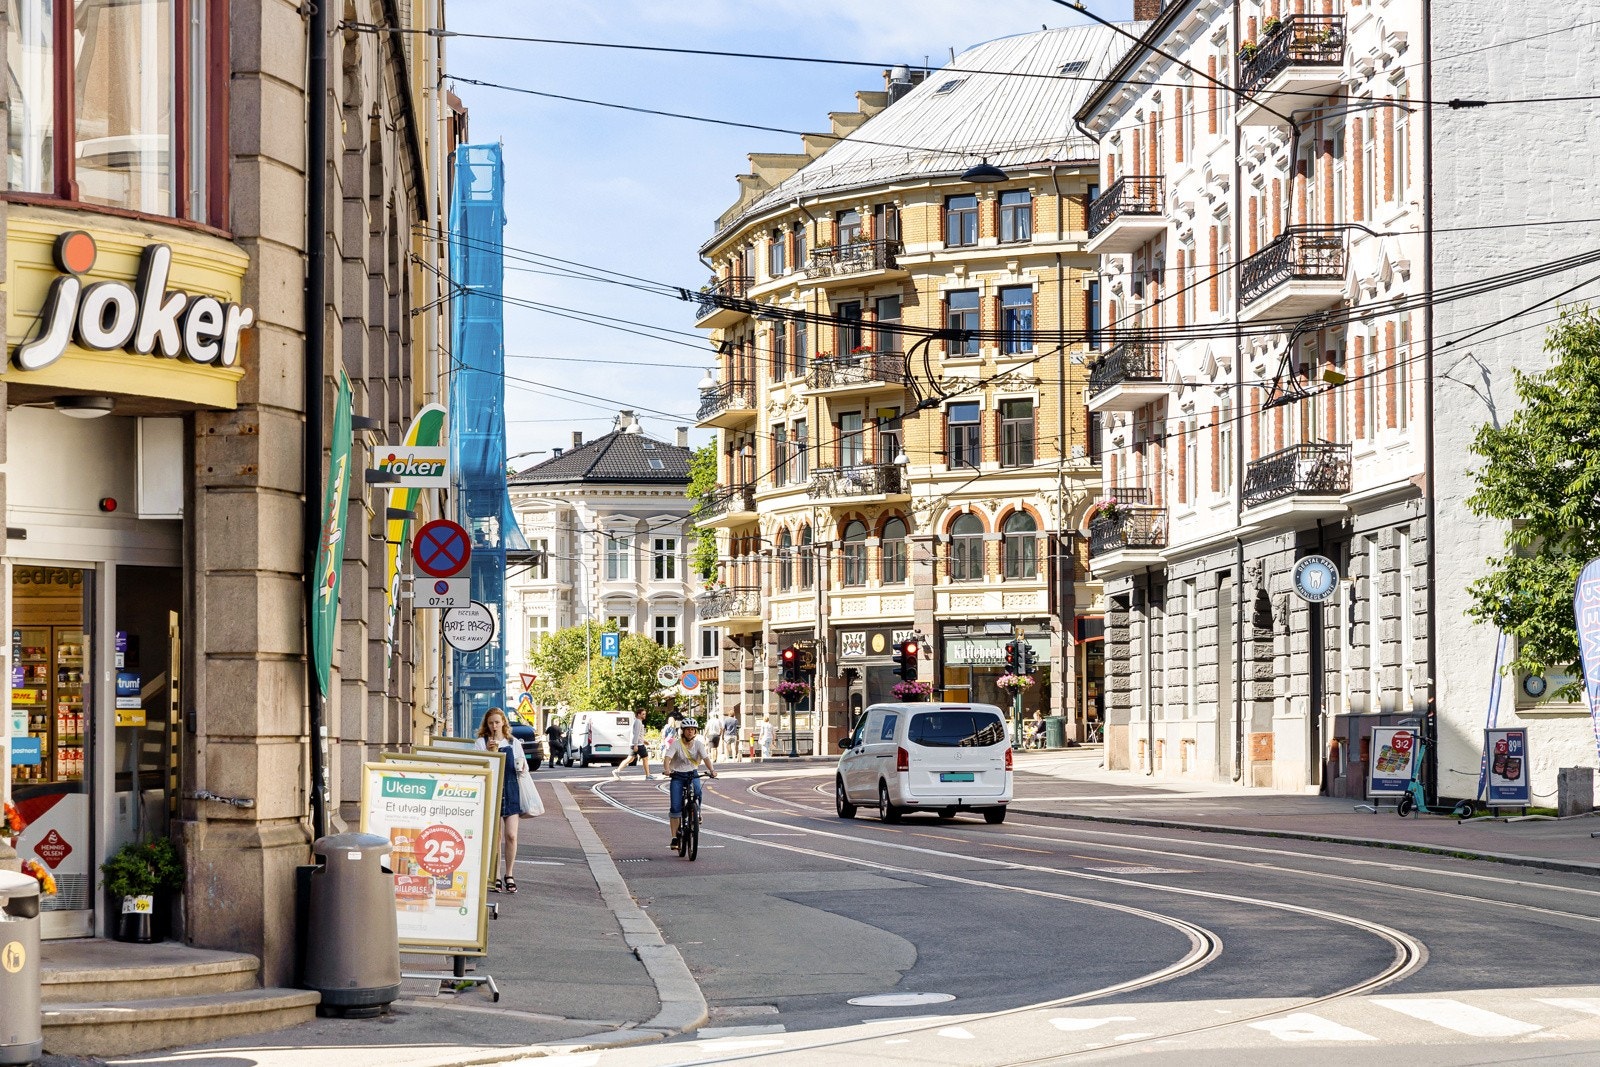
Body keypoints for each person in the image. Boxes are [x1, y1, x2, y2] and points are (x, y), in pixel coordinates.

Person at [474, 707, 527, 893]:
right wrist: (489, 753)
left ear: (503, 722)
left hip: (511, 790)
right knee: (495, 837)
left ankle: (509, 873)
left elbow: (522, 765)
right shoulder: (481, 742)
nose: (494, 726)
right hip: (493, 790)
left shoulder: (513, 742)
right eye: (491, 723)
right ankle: (495, 874)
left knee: (511, 835)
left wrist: (521, 766)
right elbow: (478, 768)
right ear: (486, 725)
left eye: (497, 722)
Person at [661, 716, 717, 850]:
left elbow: (706, 758)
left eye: (692, 729)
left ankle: (697, 813)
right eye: (687, 730)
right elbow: (667, 758)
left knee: (697, 791)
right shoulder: (676, 744)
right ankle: (675, 838)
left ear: (695, 731)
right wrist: (667, 769)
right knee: (675, 807)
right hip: (677, 776)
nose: (690, 732)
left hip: (692, 774)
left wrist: (712, 770)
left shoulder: (698, 745)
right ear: (683, 731)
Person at [612, 713, 652, 780]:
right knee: (645, 758)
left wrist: (643, 741)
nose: (644, 715)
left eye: (645, 714)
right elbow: (636, 734)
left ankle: (617, 771)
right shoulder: (638, 722)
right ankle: (648, 775)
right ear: (638, 714)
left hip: (636, 743)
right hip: (638, 744)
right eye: (643, 714)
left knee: (630, 759)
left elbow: (637, 734)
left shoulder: (637, 722)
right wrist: (636, 744)